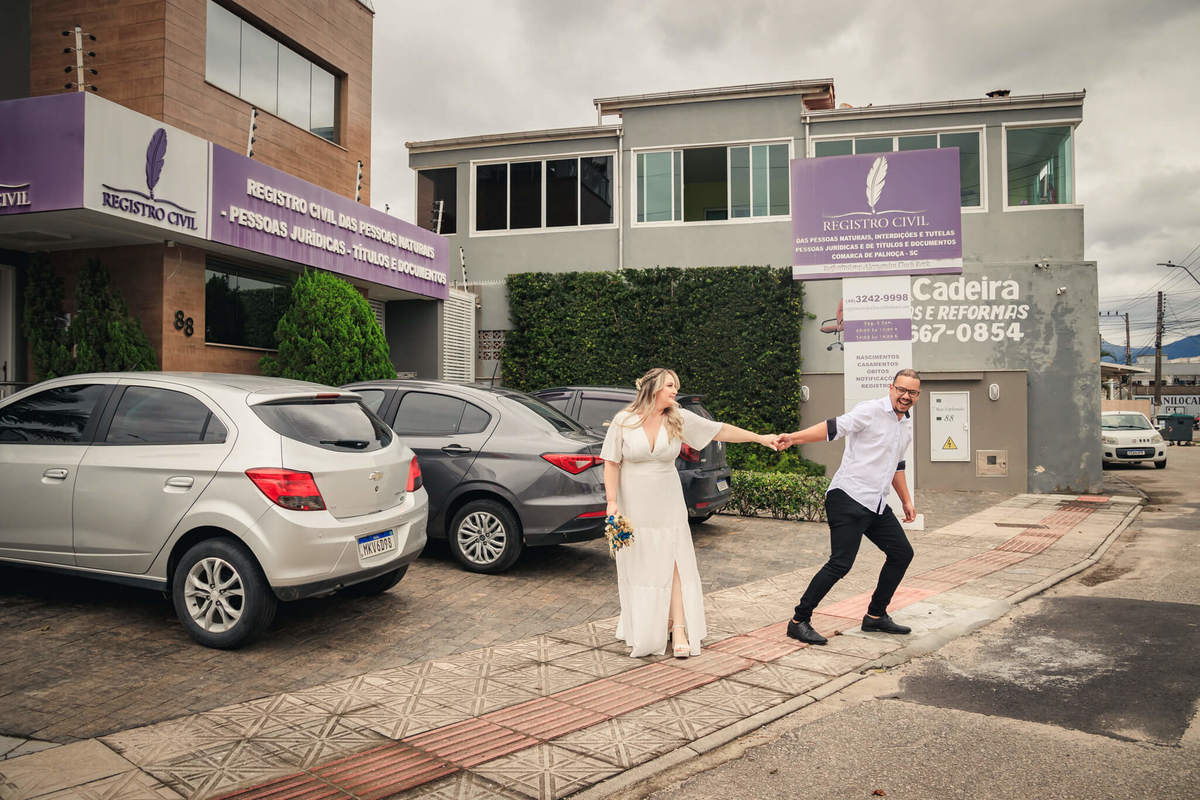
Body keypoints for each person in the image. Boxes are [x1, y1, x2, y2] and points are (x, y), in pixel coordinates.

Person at [601, 367, 779, 658]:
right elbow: (611, 462)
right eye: (670, 385)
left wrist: (760, 438)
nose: (675, 391)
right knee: (641, 563)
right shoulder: (624, 421)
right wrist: (612, 502)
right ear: (652, 388)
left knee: (673, 559)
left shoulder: (678, 418)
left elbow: (719, 430)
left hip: (667, 500)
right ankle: (649, 625)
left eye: (676, 386)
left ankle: (680, 627)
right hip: (633, 502)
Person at [778, 368, 921, 645]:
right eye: (901, 390)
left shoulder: (905, 425)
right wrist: (794, 438)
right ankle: (798, 621)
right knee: (840, 563)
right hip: (849, 497)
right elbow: (833, 428)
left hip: (875, 503)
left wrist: (905, 500)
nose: (906, 396)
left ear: (918, 395)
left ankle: (875, 615)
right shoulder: (870, 411)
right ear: (891, 388)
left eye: (912, 392)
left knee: (902, 553)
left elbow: (897, 465)